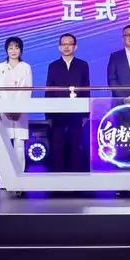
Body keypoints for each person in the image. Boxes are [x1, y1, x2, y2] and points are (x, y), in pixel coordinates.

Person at [45, 33, 90, 172]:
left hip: (76, 112)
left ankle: (75, 177)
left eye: (69, 44)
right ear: (59, 47)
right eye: (63, 44)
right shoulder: (53, 66)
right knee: (57, 145)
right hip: (57, 112)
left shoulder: (82, 65)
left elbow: (86, 88)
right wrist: (48, 114)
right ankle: (57, 176)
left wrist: (85, 113)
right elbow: (49, 90)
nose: (66, 47)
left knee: (75, 145)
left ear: (75, 47)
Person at [0, 36, 32, 195]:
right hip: (4, 112)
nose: (14, 51)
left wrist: (19, 109)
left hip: (20, 112)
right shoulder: (0, 67)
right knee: (4, 145)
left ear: (21, 50)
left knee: (19, 145)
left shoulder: (26, 67)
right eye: (11, 48)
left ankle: (18, 179)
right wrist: (5, 109)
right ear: (6, 50)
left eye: (17, 47)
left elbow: (28, 89)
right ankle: (4, 180)